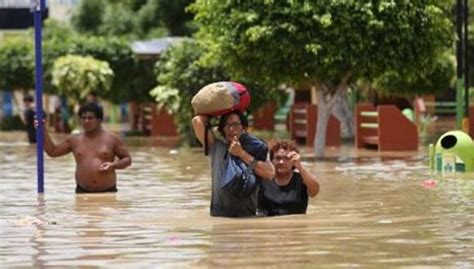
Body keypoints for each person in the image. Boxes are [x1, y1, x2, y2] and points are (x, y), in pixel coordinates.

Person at [192, 112, 275, 217]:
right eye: (227, 125)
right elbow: (197, 121)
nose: (231, 129)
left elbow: (270, 173)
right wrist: (218, 112)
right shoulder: (216, 147)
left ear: (243, 128)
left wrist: (241, 153)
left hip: (247, 217)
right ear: (222, 129)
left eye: (235, 124)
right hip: (219, 216)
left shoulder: (256, 149)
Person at [41, 102, 132, 193]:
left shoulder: (112, 139)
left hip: (107, 193)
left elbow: (127, 159)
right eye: (83, 118)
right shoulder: (74, 140)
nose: (86, 121)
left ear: (99, 119)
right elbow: (52, 152)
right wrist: (42, 129)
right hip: (82, 192)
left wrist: (113, 165)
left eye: (90, 118)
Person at [257, 139, 319, 216]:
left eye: (286, 158)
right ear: (271, 160)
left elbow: (315, 192)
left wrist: (299, 166)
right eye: (278, 158)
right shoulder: (263, 179)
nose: (281, 162)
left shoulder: (301, 179)